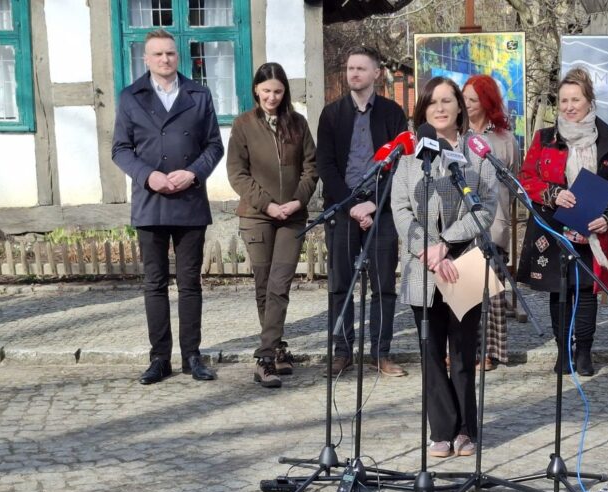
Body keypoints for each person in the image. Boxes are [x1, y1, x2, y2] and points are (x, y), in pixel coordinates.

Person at [391, 76, 498, 458]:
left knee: (464, 349)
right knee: (431, 352)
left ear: (459, 107)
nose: (440, 107)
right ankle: (441, 430)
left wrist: (447, 244)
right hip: (424, 266)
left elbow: (486, 206)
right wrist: (426, 250)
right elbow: (400, 209)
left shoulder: (476, 152)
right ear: (423, 108)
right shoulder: (409, 154)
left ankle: (465, 429)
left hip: (464, 260)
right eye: (432, 101)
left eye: (447, 101)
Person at [112, 29, 223, 386]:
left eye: (170, 54)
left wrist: (193, 172)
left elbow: (214, 146)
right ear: (146, 59)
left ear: (178, 57)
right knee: (154, 283)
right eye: (157, 55)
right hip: (151, 201)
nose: (165, 60)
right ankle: (159, 358)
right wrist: (148, 176)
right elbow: (120, 149)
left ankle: (192, 355)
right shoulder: (130, 97)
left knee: (190, 283)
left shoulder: (198, 94)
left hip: (189, 199)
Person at [516, 68, 608, 377]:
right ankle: (562, 350)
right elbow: (526, 178)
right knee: (560, 290)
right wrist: (553, 193)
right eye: (564, 100)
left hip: (592, 230)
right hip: (555, 228)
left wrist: (607, 217)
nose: (569, 106)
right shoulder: (545, 139)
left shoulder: (606, 140)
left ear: (589, 101)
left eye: (575, 99)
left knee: (584, 291)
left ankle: (583, 351)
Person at [316, 46, 409, 378]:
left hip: (382, 210)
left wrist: (375, 202)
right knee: (340, 283)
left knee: (383, 284)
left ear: (376, 73)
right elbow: (325, 164)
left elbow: (401, 164)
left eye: (360, 68)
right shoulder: (331, 114)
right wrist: (353, 205)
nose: (353, 73)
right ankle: (343, 352)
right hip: (343, 209)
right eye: (350, 68)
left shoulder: (392, 113)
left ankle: (380, 354)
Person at [228, 62, 318, 388]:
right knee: (264, 285)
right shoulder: (243, 126)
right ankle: (277, 348)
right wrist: (267, 204)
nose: (272, 97)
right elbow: (237, 174)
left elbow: (311, 168)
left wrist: (296, 201)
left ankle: (263, 358)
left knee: (279, 284)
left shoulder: (298, 124)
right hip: (256, 215)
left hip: (292, 216)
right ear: (256, 90)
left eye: (278, 91)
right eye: (266, 91)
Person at [462, 74, 521, 371]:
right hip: (459, 225)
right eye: (464, 98)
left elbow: (514, 184)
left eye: (473, 100)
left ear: (487, 103)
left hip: (493, 223)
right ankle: (464, 351)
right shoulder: (454, 135)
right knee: (463, 293)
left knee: (490, 292)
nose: (466, 104)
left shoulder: (504, 140)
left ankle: (490, 351)